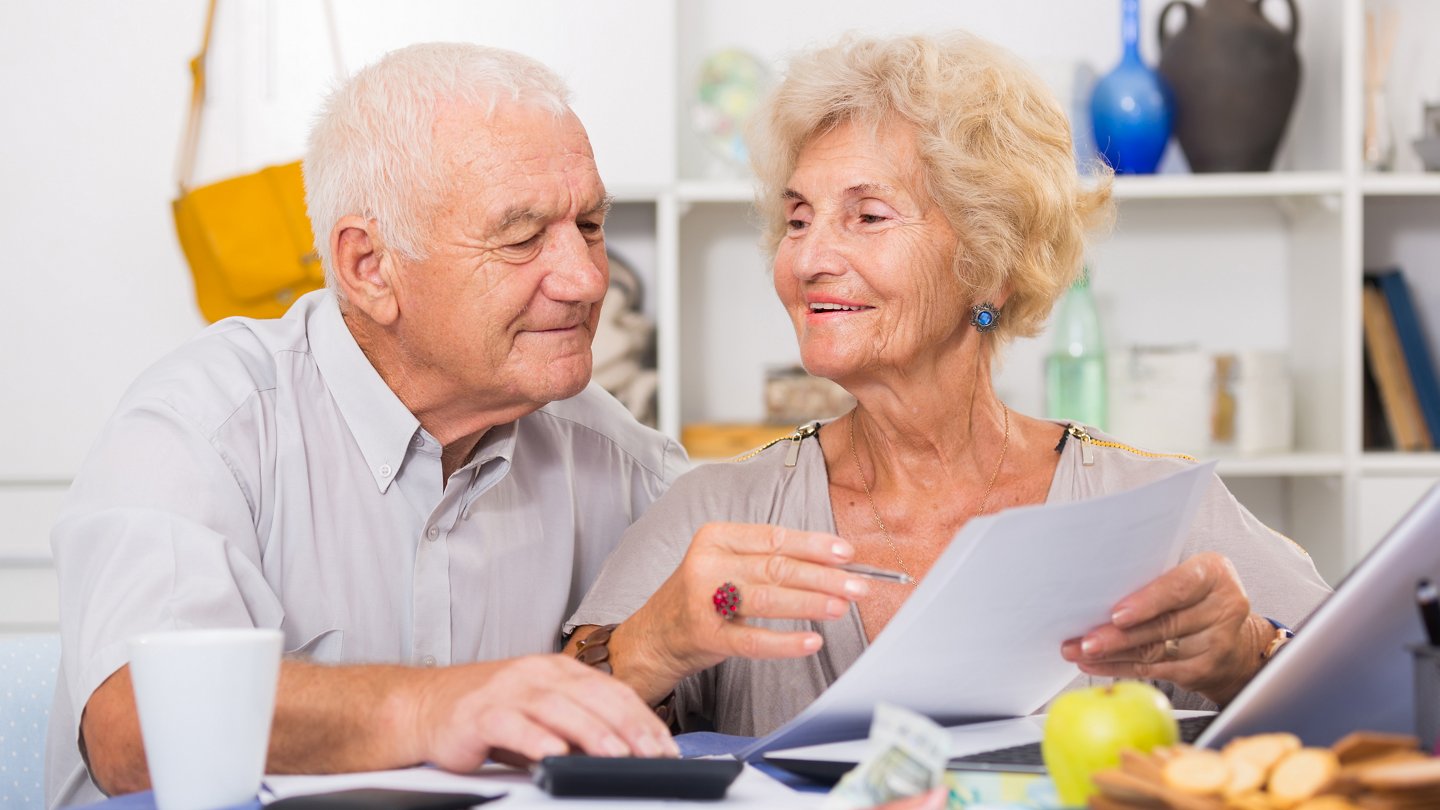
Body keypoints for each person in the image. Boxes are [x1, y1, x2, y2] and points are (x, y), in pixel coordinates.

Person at [563, 32, 1332, 738]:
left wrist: (1251, 655)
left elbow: (1382, 701)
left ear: (991, 259)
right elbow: (543, 737)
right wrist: (650, 646)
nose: (808, 259)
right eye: (798, 220)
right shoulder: (716, 511)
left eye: (866, 216)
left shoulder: (1156, 512)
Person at [47, 42, 686, 808]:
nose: (587, 279)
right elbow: (137, 729)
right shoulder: (202, 422)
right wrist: (436, 706)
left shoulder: (609, 452)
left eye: (588, 224)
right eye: (520, 239)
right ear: (369, 266)